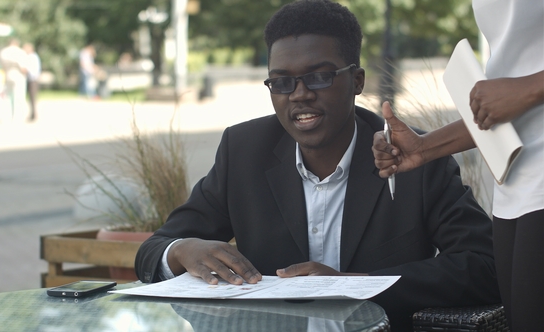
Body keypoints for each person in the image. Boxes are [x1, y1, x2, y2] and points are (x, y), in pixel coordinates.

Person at [135, 1, 501, 330]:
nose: (299, 93)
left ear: (356, 81)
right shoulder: (243, 150)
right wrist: (183, 250)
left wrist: (350, 284)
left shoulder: (410, 155)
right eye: (281, 82)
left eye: (319, 76)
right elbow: (155, 249)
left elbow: (485, 266)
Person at [372, 1, 543, 330]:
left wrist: (530, 88)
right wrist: (424, 148)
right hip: (515, 182)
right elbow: (507, 104)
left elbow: (520, 92)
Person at [0, 38, 28, 121]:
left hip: (8, 74)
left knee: (7, 96)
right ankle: (18, 117)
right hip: (18, 75)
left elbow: (2, 66)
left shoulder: (4, 52)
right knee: (19, 96)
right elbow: (23, 67)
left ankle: (7, 117)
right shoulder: (20, 52)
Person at [22, 43, 41, 121]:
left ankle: (33, 115)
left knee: (32, 98)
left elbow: (28, 69)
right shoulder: (34, 56)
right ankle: (33, 114)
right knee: (32, 98)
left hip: (33, 79)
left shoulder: (31, 57)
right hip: (33, 79)